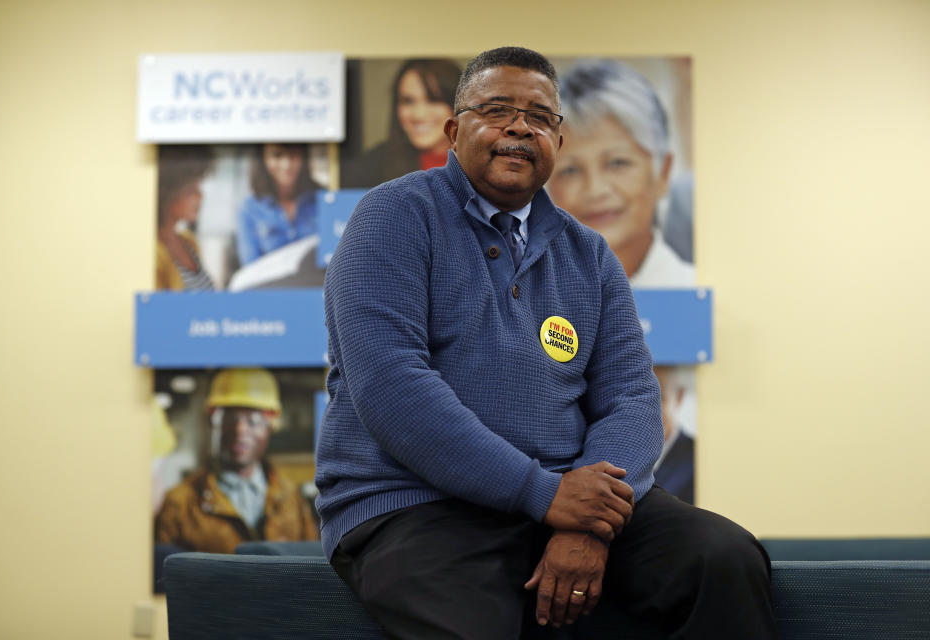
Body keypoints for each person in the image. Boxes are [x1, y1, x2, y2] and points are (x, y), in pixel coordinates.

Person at [316, 47, 774, 639]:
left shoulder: (590, 255)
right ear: (455, 131)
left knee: (723, 558)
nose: (518, 126)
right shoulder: (393, 216)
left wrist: (586, 524)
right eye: (497, 109)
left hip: (568, 498)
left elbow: (632, 399)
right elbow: (391, 386)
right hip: (418, 505)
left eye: (539, 116)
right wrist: (542, 492)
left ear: (558, 138)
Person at [547, 59, 694, 287]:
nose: (595, 190)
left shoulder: (696, 292)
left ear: (662, 173)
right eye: (570, 170)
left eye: (617, 163)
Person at [155, 368, 318, 553]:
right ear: (213, 424)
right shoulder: (180, 503)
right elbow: (165, 576)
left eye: (253, 420)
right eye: (229, 419)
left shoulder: (291, 499)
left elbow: (312, 568)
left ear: (271, 427)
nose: (240, 430)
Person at [341, 58, 461, 188]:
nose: (418, 115)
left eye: (433, 100)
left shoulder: (480, 164)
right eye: (408, 101)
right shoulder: (371, 167)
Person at [236, 143, 322, 266]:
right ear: (263, 159)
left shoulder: (324, 200)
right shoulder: (248, 210)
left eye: (294, 154)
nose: (287, 164)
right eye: (277, 155)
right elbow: (250, 268)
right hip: (270, 284)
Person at [155, 145, 216, 291]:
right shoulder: (155, 252)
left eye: (198, 187)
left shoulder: (189, 241)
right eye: (190, 190)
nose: (200, 196)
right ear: (167, 195)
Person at [653, 366, 695, 504]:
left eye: (660, 398)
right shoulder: (617, 454)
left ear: (679, 396)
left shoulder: (697, 458)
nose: (648, 410)